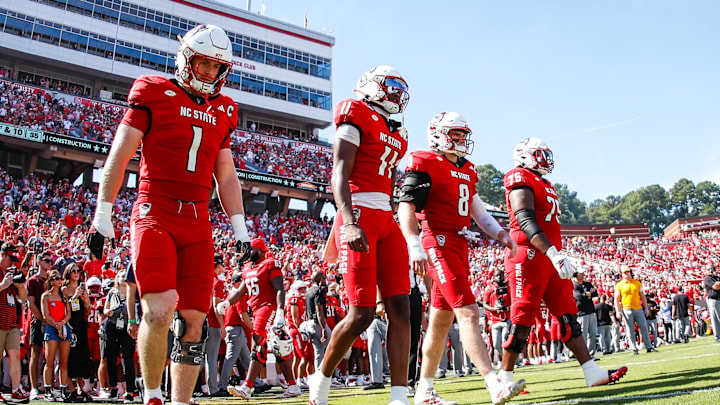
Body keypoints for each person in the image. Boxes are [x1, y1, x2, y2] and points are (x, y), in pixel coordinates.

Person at [88, 24, 251, 405]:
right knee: (160, 311)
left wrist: (240, 228)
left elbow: (225, 175)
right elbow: (120, 153)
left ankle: (181, 400)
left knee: (195, 319)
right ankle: (151, 395)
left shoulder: (225, 108)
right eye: (203, 62)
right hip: (155, 210)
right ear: (186, 59)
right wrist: (103, 212)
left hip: (198, 219)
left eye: (217, 66)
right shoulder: (153, 91)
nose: (210, 73)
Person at [397, 112, 524, 405]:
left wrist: (502, 235)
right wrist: (414, 245)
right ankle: (494, 384)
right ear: (439, 134)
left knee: (440, 321)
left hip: (458, 243)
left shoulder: (467, 169)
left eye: (463, 135)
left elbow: (478, 212)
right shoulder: (425, 162)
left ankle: (424, 391)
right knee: (468, 312)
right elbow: (406, 205)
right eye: (455, 134)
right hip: (436, 241)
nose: (461, 140)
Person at [310, 65, 412, 405]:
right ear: (370, 86)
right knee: (362, 314)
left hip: (386, 215)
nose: (397, 94)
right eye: (391, 86)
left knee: (401, 307)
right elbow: (339, 171)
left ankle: (399, 395)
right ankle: (320, 381)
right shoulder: (355, 111)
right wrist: (349, 221)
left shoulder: (397, 130)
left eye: (400, 88)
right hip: (361, 212)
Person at [501, 137, 627, 389]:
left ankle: (591, 371)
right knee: (523, 317)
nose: (545, 160)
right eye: (540, 154)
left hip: (548, 255)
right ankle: (504, 378)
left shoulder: (544, 182)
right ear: (525, 155)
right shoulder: (518, 177)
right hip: (529, 254)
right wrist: (552, 252)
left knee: (568, 315)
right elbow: (525, 220)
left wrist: (554, 253)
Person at [223, 238, 300, 399]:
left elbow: (279, 289)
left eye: (250, 250)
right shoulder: (247, 268)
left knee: (258, 343)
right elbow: (241, 291)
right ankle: (293, 386)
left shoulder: (270, 264)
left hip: (268, 308)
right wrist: (227, 302)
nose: (247, 253)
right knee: (278, 349)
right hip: (257, 310)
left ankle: (247, 387)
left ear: (259, 250)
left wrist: (279, 311)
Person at [103, 269, 138, 401]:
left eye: (125, 276)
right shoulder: (112, 293)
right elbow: (105, 309)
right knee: (111, 358)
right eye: (120, 276)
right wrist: (109, 311)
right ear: (116, 279)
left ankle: (130, 391)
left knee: (128, 359)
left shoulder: (133, 294)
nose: (123, 279)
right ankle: (113, 388)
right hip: (112, 326)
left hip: (127, 327)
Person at [0, 242, 29, 404]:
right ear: (2, 255)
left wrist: (20, 286)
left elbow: (23, 297)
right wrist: (4, 284)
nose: (12, 263)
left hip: (11, 321)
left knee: (15, 355)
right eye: (9, 258)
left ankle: (16, 389)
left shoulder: (11, 273)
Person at [62, 262, 94, 402]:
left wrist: (85, 299)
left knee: (82, 357)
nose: (76, 273)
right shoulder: (64, 289)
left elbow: (88, 309)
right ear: (68, 272)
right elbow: (64, 307)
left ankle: (81, 388)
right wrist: (74, 296)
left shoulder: (82, 288)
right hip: (69, 325)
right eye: (73, 270)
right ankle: (71, 388)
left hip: (81, 325)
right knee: (70, 357)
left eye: (78, 271)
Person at [26, 250, 53, 400]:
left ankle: (50, 386)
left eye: (50, 261)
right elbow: (31, 303)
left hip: (51, 322)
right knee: (35, 355)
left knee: (51, 356)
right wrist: (43, 318)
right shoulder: (32, 281)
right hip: (38, 321)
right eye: (46, 260)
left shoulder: (51, 280)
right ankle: (34, 387)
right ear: (39, 262)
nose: (49, 263)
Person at [41, 269, 72, 401]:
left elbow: (68, 313)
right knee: (50, 360)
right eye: (57, 278)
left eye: (60, 278)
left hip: (64, 328)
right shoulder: (46, 296)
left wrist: (62, 323)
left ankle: (63, 389)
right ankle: (48, 389)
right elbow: (45, 316)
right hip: (51, 328)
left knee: (64, 362)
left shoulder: (64, 296)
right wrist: (56, 325)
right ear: (51, 280)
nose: (60, 281)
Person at [614, 265, 656, 354]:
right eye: (625, 272)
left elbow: (642, 296)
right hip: (627, 309)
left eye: (628, 272)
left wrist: (646, 308)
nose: (627, 274)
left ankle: (649, 346)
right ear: (622, 274)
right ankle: (633, 348)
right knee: (630, 329)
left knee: (644, 327)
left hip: (638, 308)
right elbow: (616, 299)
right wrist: (618, 311)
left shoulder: (637, 283)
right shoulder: (619, 285)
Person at [205, 254, 227, 397]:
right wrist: (222, 325)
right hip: (213, 323)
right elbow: (216, 305)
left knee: (203, 357)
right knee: (212, 358)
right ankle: (212, 387)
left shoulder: (205, 280)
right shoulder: (217, 282)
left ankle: (202, 386)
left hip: (202, 322)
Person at [484, 269, 511, 365]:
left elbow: (514, 302)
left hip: (506, 319)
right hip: (495, 320)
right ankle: (505, 360)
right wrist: (494, 309)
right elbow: (485, 304)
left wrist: (507, 308)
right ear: (493, 277)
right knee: (496, 344)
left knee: (505, 340)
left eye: (500, 275)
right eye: (496, 275)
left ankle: (507, 363)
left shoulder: (508, 288)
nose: (498, 277)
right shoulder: (490, 289)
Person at [305, 271, 329, 370]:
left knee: (318, 351)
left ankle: (319, 376)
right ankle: (329, 376)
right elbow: (319, 310)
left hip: (310, 323)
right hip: (317, 322)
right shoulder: (317, 291)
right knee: (333, 347)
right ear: (320, 279)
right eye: (323, 277)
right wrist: (323, 328)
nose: (325, 279)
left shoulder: (309, 290)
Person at [572, 269, 598, 357]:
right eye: (581, 273)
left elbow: (595, 292)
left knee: (593, 334)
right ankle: (584, 354)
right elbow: (579, 297)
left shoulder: (587, 284)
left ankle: (591, 353)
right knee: (583, 335)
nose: (583, 274)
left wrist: (588, 294)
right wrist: (588, 294)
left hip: (591, 311)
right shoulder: (574, 285)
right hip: (582, 313)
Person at [703, 265, 720, 343]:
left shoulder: (717, 278)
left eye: (713, 269)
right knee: (716, 319)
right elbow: (715, 286)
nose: (712, 270)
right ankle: (718, 337)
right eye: (710, 269)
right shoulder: (708, 278)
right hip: (714, 300)